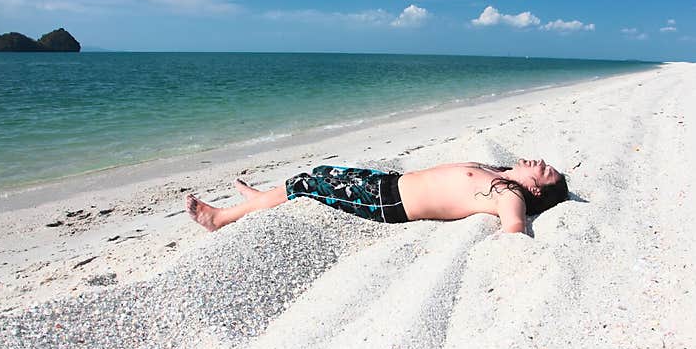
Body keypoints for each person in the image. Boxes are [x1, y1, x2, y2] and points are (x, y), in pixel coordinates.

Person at [186, 158, 568, 235]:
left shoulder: (508, 194)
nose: (540, 162)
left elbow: (513, 228)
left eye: (544, 170)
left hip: (390, 204)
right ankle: (260, 200)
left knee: (305, 185)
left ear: (535, 189)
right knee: (318, 173)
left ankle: (221, 219)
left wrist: (514, 234)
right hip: (388, 182)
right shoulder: (496, 171)